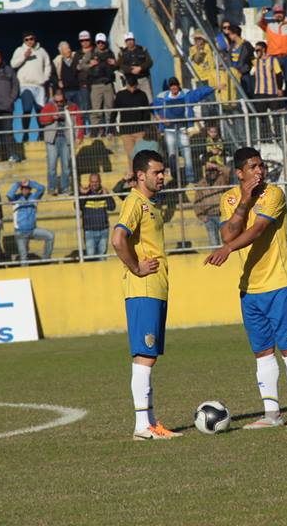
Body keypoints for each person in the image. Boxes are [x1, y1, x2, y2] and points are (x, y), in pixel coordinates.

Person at [204, 147, 287, 429]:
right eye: (252, 167)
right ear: (239, 173)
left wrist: (227, 249)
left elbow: (257, 230)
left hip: (279, 283)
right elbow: (229, 231)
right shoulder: (230, 199)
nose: (259, 171)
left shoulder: (273, 194)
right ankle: (272, 414)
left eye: (261, 165)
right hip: (250, 288)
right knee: (262, 352)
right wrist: (244, 203)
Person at [110, 149, 181, 440]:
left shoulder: (149, 204)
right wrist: (135, 267)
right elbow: (118, 239)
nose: (162, 176)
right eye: (156, 172)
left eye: (162, 171)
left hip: (155, 288)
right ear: (141, 175)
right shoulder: (135, 202)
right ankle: (142, 426)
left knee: (149, 355)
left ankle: (151, 423)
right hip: (144, 288)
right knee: (144, 356)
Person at [10, 30, 52, 148]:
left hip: (39, 86)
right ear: (24, 41)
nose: (29, 41)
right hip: (25, 85)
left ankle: (42, 134)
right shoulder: (19, 50)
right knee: (27, 109)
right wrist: (24, 57)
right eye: (27, 39)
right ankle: (25, 133)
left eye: (31, 39)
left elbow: (48, 65)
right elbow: (13, 64)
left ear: (35, 39)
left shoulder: (42, 51)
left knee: (40, 111)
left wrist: (45, 78)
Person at [7, 179, 53, 265]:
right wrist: (18, 183)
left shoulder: (34, 197)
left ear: (30, 189)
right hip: (20, 232)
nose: (25, 190)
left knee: (50, 236)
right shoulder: (15, 198)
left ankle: (46, 260)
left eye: (27, 188)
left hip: (33, 230)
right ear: (21, 189)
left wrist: (30, 183)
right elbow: (9, 194)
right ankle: (24, 272)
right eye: (23, 188)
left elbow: (42, 188)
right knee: (24, 258)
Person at [193, 160, 231, 247]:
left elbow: (228, 171)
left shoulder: (222, 180)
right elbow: (197, 202)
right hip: (209, 217)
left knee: (227, 241)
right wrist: (202, 217)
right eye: (208, 170)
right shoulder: (201, 184)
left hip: (223, 216)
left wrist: (216, 165)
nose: (211, 173)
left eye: (213, 170)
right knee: (214, 243)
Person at [80, 173, 115, 259]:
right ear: (89, 182)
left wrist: (107, 196)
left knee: (102, 257)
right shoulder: (85, 193)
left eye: (96, 182)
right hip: (89, 231)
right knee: (90, 256)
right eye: (92, 182)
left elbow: (112, 207)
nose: (94, 184)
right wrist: (83, 195)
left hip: (103, 230)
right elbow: (77, 207)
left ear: (100, 182)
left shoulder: (104, 193)